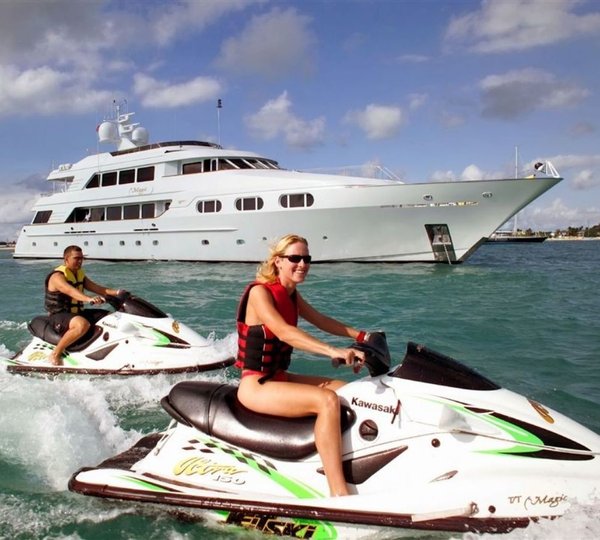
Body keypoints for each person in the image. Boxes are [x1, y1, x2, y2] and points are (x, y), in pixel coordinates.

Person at [235, 234, 370, 497]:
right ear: (278, 262)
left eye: (306, 259)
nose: (302, 264)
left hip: (279, 378)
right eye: (294, 258)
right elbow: (284, 332)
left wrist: (362, 336)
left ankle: (354, 467)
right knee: (327, 401)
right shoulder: (259, 293)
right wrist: (333, 350)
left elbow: (321, 320)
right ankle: (338, 492)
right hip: (255, 386)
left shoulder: (292, 295)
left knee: (348, 391)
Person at [44, 245, 122, 365]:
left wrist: (118, 292)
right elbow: (70, 291)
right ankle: (55, 353)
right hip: (58, 315)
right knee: (82, 324)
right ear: (66, 259)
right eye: (76, 258)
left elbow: (98, 288)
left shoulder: (78, 274)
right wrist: (89, 299)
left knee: (112, 317)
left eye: (81, 258)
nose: (80, 261)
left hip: (76, 313)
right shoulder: (57, 277)